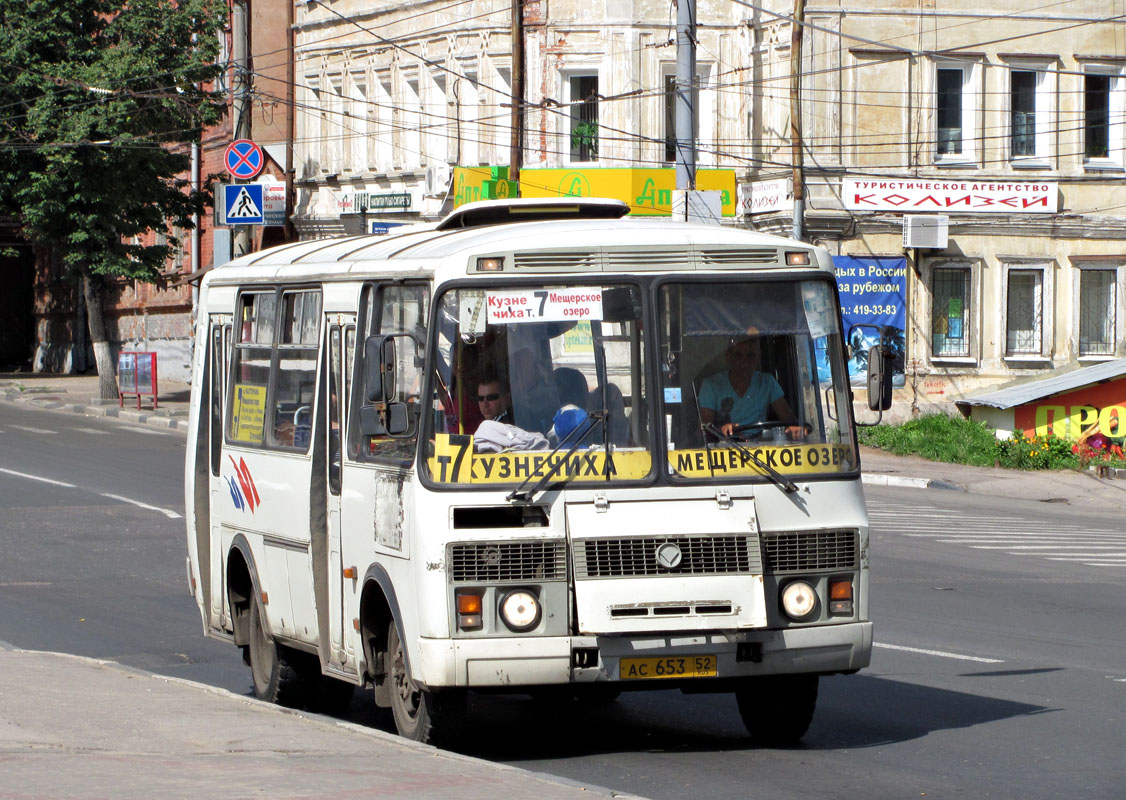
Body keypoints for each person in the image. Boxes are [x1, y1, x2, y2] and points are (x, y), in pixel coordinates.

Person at [698, 332, 807, 440]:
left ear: (757, 358)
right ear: (728, 356)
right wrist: (721, 430)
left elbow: (789, 419)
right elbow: (706, 428)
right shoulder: (711, 385)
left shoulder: (767, 382)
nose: (745, 362)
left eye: (750, 356)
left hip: (761, 451)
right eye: (738, 355)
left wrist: (794, 428)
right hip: (725, 449)